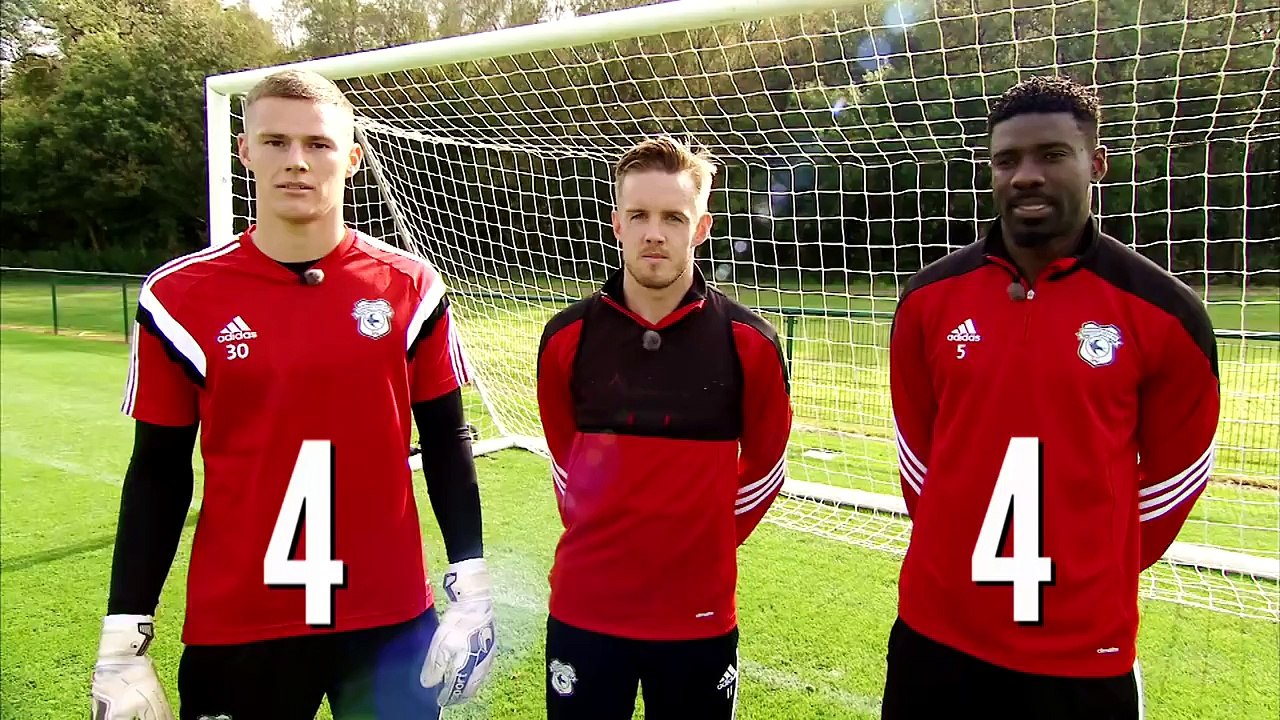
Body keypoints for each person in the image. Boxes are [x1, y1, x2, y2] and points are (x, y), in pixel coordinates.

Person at [90, 69, 497, 720]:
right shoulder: (177, 298)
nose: (297, 162)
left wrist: (471, 583)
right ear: (245, 150)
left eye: (319, 144)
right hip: (242, 621)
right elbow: (159, 470)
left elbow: (447, 439)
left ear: (353, 158)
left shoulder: (411, 286)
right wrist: (124, 635)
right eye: (275, 142)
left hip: (388, 617)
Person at [883, 75, 1220, 719]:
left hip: (1080, 654)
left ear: (1095, 164)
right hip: (936, 631)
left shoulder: (1167, 316)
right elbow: (918, 457)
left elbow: (1177, 479)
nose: (1026, 175)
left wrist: (1086, 568)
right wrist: (961, 553)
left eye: (1051, 155)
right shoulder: (928, 301)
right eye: (1007, 160)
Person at [535, 135, 793, 719]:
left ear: (700, 227)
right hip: (585, 609)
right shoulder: (567, 339)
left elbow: (767, 466)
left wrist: (703, 542)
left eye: (673, 217)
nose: (656, 232)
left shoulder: (748, 344)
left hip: (697, 618)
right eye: (640, 215)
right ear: (616, 224)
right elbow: (563, 456)